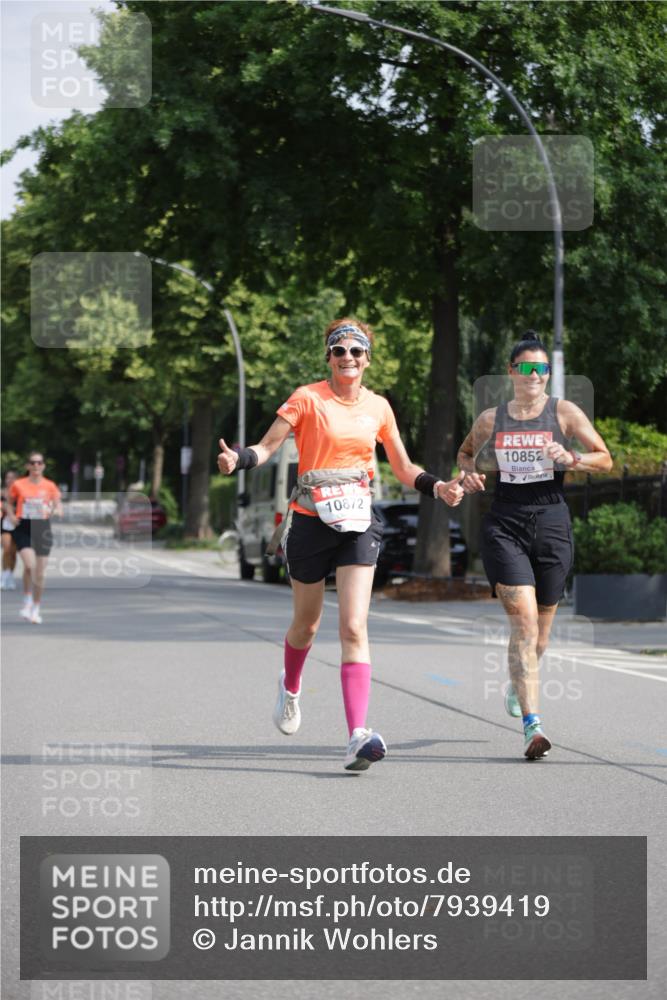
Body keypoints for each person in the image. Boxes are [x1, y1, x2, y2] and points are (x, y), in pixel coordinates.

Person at [218, 318, 465, 771]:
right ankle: (290, 687)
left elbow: (405, 468)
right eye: (339, 351)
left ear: (367, 359)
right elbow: (269, 447)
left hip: (357, 521)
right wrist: (240, 459)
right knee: (307, 626)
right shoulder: (307, 398)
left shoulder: (379, 408)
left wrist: (439, 487)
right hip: (311, 522)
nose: (347, 358)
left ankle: (356, 735)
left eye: (356, 351)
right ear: (328, 359)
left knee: (353, 626)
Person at [457, 331, 612, 760]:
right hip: (505, 522)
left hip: (551, 523)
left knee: (540, 638)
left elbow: (605, 457)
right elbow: (465, 453)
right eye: (526, 367)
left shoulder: (564, 413)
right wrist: (468, 473)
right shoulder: (492, 418)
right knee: (524, 626)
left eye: (541, 369)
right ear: (511, 372)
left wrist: (573, 458)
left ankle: (518, 681)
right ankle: (533, 726)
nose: (534, 375)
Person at [8, 452, 63, 624]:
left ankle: (36, 608)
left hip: (42, 528)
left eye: (40, 463)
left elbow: (57, 503)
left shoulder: (50, 485)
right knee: (30, 566)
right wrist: (10, 515)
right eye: (33, 463)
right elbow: (9, 502)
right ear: (28, 466)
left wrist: (58, 510)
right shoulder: (18, 484)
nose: (36, 466)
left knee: (40, 573)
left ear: (44, 466)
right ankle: (26, 600)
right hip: (23, 527)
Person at [1, 469, 19, 590]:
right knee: (7, 549)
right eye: (8, 478)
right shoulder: (2, 493)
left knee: (13, 552)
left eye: (13, 478)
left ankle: (11, 575)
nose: (10, 480)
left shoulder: (21, 493)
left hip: (18, 524)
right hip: (4, 523)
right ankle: (4, 575)